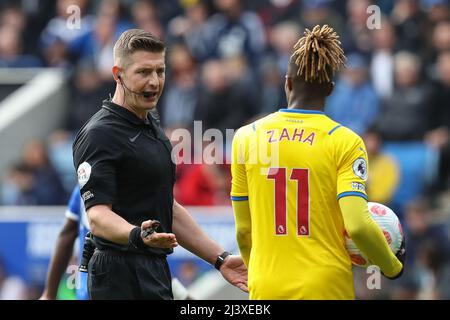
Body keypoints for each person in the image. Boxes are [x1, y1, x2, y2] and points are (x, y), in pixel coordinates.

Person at [230, 25, 405, 300]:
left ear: (287, 82)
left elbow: (243, 231)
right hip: (325, 286)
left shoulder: (246, 137)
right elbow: (358, 226)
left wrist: (258, 274)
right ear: (331, 90)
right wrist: (391, 266)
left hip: (266, 286)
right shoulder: (345, 141)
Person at [72, 29, 247, 300]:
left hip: (153, 267)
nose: (154, 82)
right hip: (119, 275)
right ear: (118, 73)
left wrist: (220, 258)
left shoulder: (151, 124)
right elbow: (97, 217)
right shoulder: (100, 134)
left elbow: (168, 207)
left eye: (160, 71)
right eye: (143, 72)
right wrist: (136, 235)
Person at [39, 186, 192, 300]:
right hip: (109, 286)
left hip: (98, 287)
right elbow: (67, 235)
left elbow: (67, 235)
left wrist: (48, 294)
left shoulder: (87, 186)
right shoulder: (125, 191)